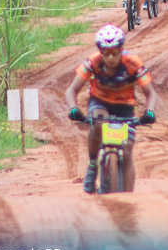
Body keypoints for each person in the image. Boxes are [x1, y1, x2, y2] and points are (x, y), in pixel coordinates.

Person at [66, 25, 158, 194]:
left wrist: (149, 112)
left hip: (125, 106)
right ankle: (93, 165)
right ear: (100, 51)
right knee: (97, 120)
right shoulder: (93, 62)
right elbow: (71, 90)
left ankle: (128, 198)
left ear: (121, 50)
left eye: (114, 52)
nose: (110, 57)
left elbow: (151, 93)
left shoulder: (133, 63)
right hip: (99, 100)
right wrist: (73, 108)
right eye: (105, 53)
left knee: (128, 150)